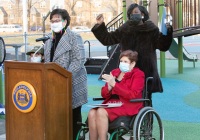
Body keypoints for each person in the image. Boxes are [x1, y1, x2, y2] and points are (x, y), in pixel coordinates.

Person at [91, 3, 173, 96]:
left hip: (147, 69)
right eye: (131, 13)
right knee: (127, 96)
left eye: (136, 12)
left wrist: (167, 34)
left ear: (142, 14)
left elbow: (163, 46)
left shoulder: (151, 29)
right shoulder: (125, 29)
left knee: (145, 97)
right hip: (128, 69)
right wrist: (100, 25)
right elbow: (108, 39)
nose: (134, 14)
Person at [43, 8, 87, 140]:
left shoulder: (74, 37)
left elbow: (79, 60)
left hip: (72, 84)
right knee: (58, 118)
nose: (54, 23)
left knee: (74, 118)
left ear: (65, 21)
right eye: (52, 21)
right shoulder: (49, 41)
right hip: (54, 87)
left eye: (57, 20)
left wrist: (63, 77)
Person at [88, 50, 145, 140]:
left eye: (125, 62)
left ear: (133, 63)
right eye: (121, 61)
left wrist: (115, 85)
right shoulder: (115, 72)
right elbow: (104, 94)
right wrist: (109, 87)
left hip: (128, 104)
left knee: (101, 111)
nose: (122, 63)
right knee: (92, 113)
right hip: (112, 103)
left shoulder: (138, 74)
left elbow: (132, 95)